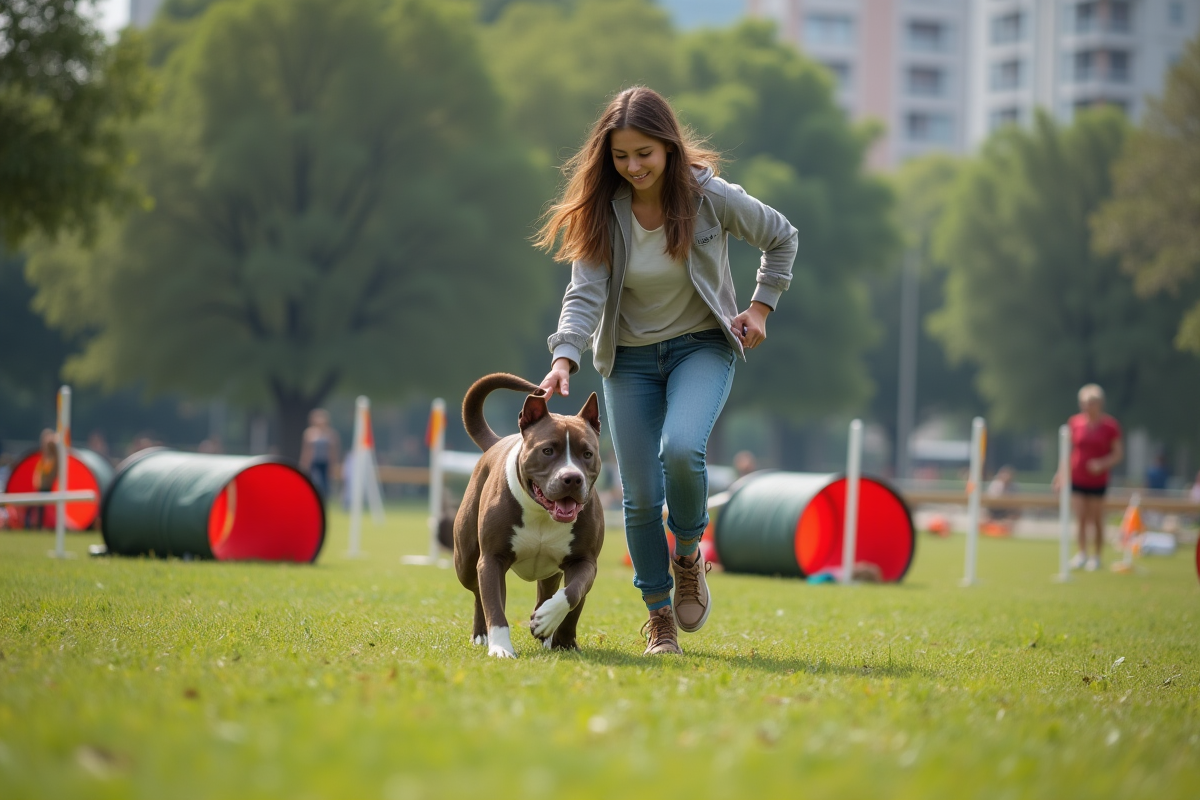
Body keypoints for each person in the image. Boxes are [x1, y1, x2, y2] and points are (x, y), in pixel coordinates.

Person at [537, 87, 797, 655]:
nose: (633, 167)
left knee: (681, 449)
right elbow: (584, 294)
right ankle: (659, 619)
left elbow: (781, 237)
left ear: (670, 147)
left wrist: (759, 307)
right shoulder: (602, 211)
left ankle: (687, 555)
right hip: (628, 360)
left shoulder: (708, 196)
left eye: (645, 154)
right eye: (621, 156)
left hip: (700, 347)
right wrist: (565, 357)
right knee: (638, 495)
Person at [1055, 384, 1123, 571]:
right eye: (1084, 403)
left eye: (1091, 403)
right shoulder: (1074, 422)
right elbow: (1068, 450)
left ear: (1100, 404)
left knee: (1096, 519)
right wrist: (1061, 474)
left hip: (1098, 480)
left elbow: (1117, 454)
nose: (1086, 407)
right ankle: (1082, 553)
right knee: (1081, 518)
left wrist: (1102, 464)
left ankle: (1097, 556)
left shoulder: (1110, 426)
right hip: (1077, 477)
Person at [299, 409, 341, 498]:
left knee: (326, 483)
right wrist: (304, 462)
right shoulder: (309, 433)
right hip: (313, 461)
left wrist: (334, 464)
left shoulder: (331, 433)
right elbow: (306, 450)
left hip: (326, 461)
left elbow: (334, 450)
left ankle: (324, 499)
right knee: (313, 480)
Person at [29, 429, 59, 530]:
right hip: (42, 486)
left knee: (43, 508)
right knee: (39, 508)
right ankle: (37, 525)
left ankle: (41, 525)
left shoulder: (53, 459)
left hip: (46, 487)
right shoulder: (45, 458)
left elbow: (48, 473)